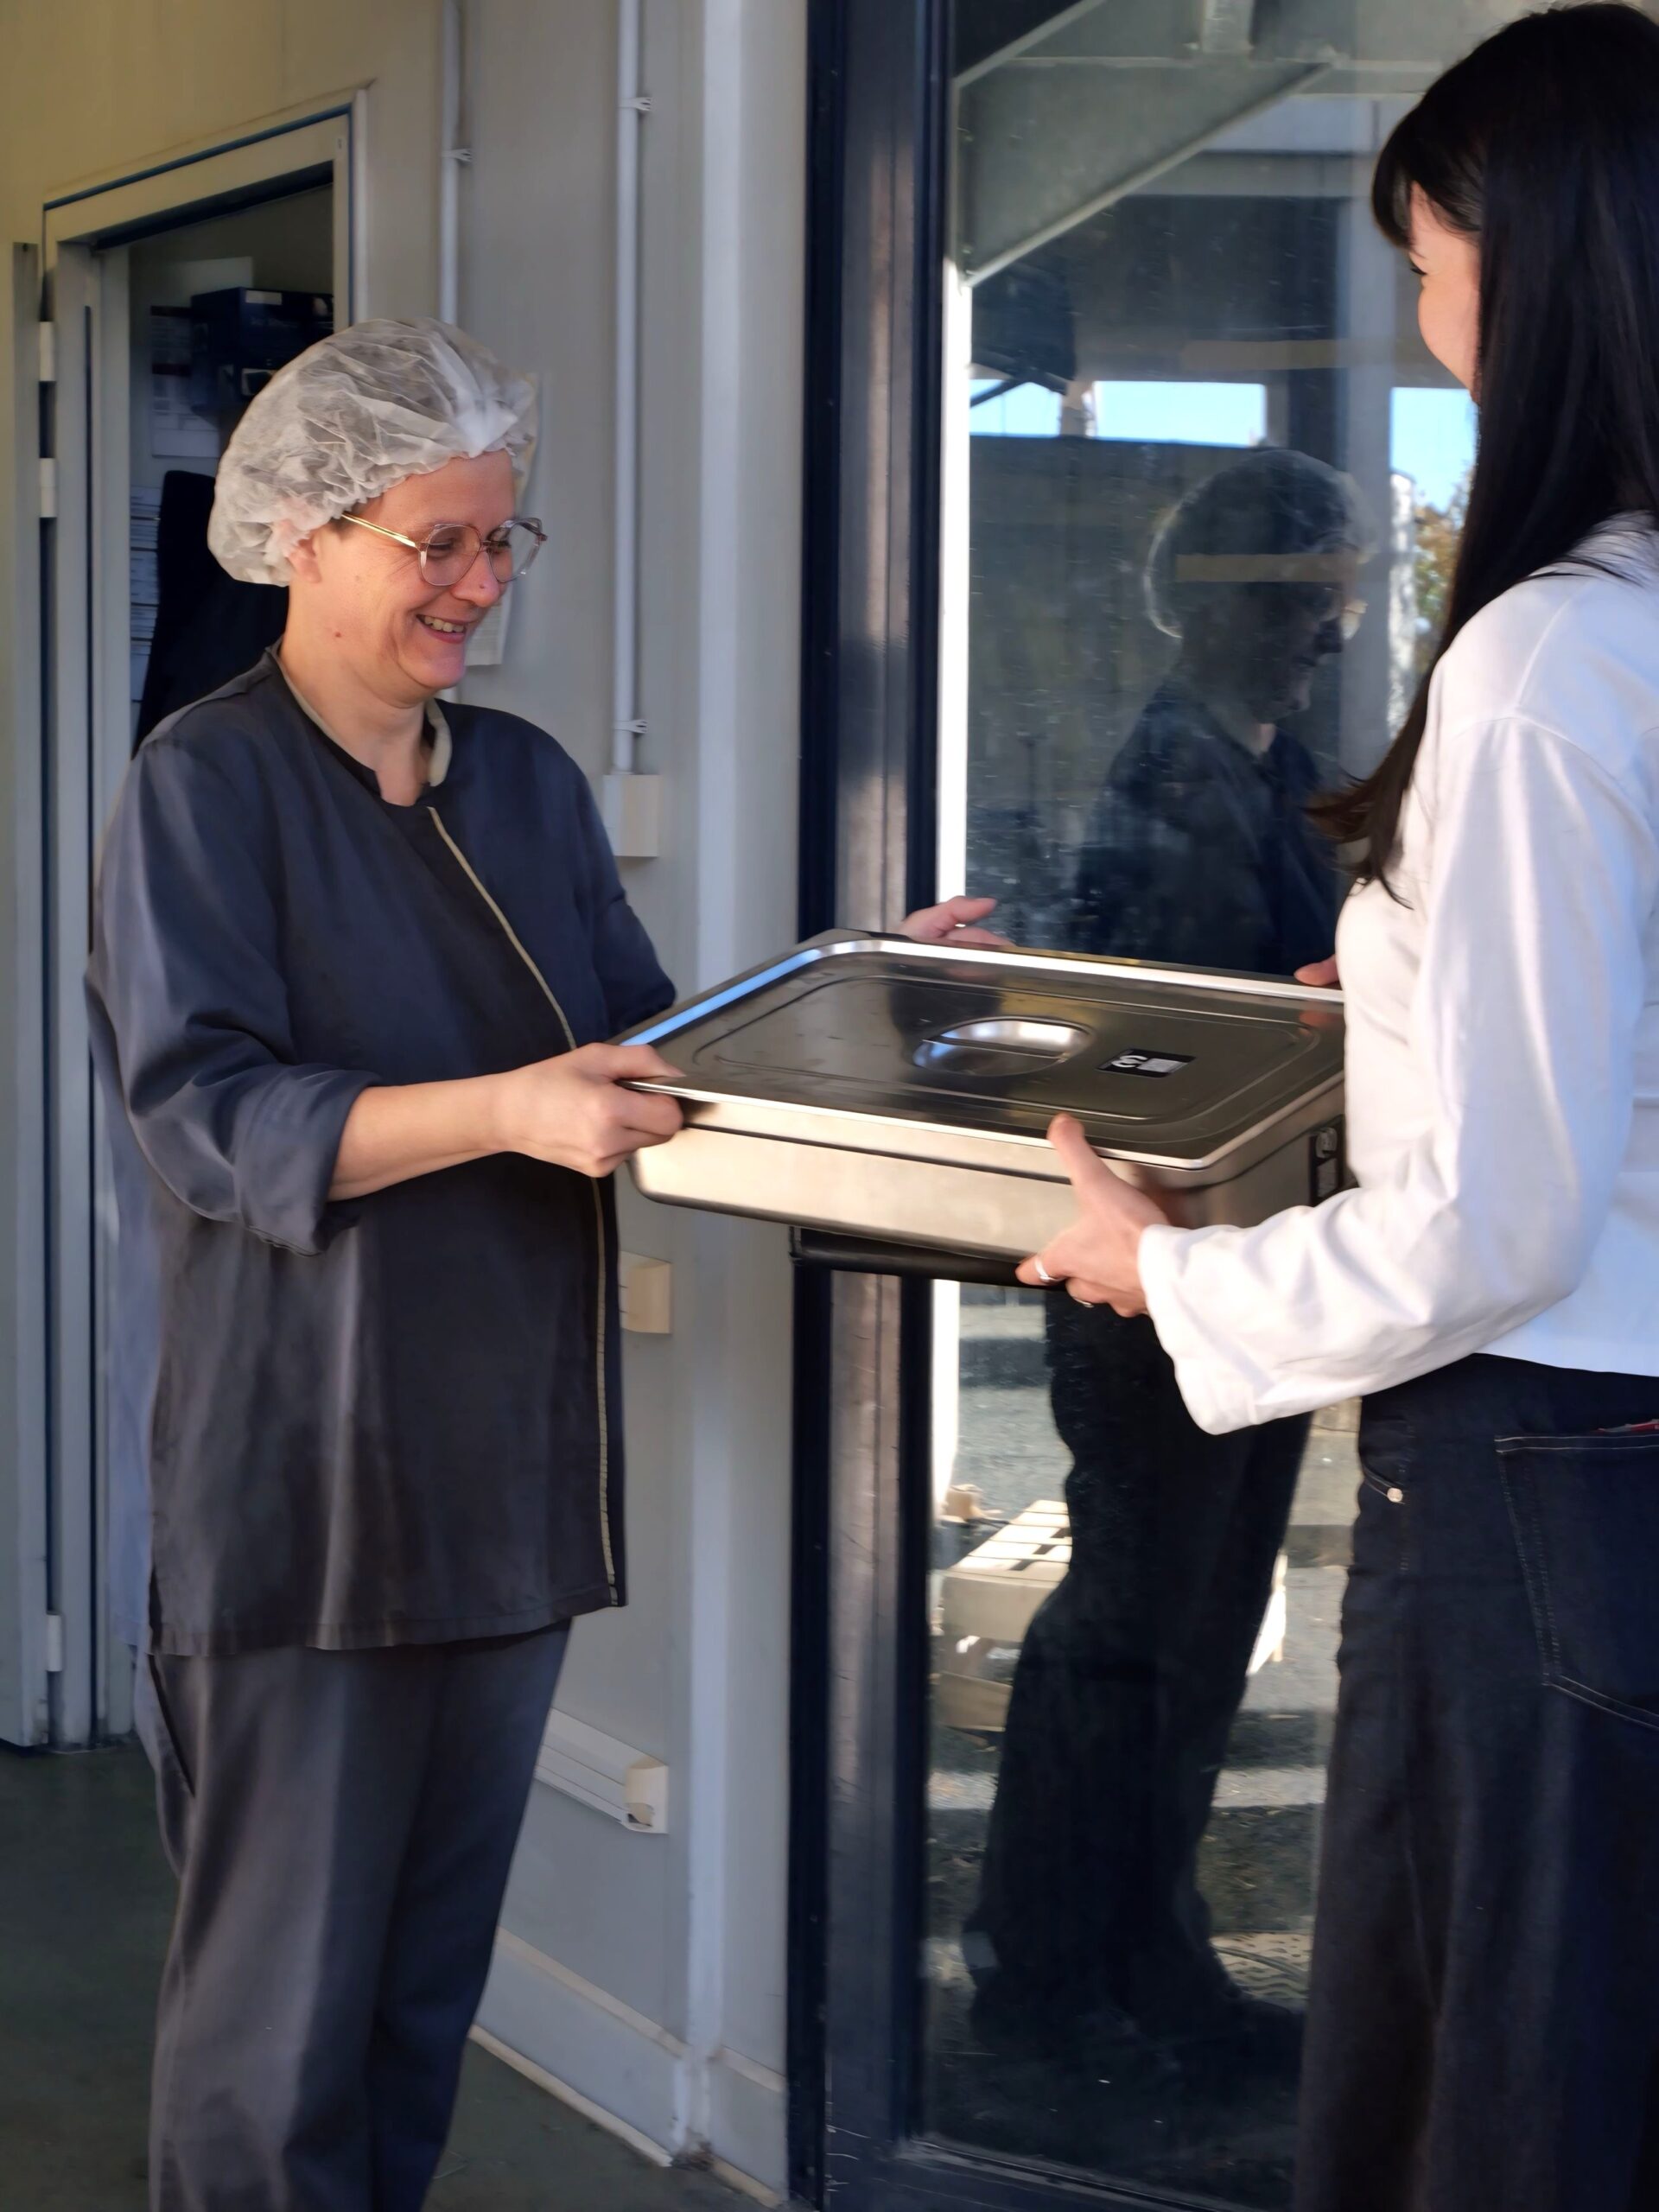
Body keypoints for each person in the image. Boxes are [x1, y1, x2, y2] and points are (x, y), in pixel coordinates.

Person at [89, 311, 997, 2212]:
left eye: (506, 542)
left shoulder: (522, 784)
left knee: (419, 2011)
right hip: (306, 1502)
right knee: (274, 2049)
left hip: (502, 1487)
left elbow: (642, 1055)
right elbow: (211, 1117)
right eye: (443, 543)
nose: (483, 585)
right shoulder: (204, 785)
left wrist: (863, 991)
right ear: (308, 537)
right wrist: (501, 1110)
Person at [1014, 9, 1659, 2206]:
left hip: (1538, 1472)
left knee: (1495, 2094)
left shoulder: (1553, 654)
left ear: (1534, 260)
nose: (1421, 307)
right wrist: (1407, 999)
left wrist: (1163, 1261)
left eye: (1428, 253)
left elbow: (1504, 1219)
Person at [964, 451, 1366, 2071]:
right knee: (1139, 1626)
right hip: (1158, 1273)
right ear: (1214, 607)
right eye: (1298, 592)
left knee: (1182, 1623)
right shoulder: (1177, 783)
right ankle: (1067, 1971)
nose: (1328, 625)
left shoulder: (1273, 774)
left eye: (1332, 589)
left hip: (1226, 1268)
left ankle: (1118, 1954)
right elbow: (1194, 1043)